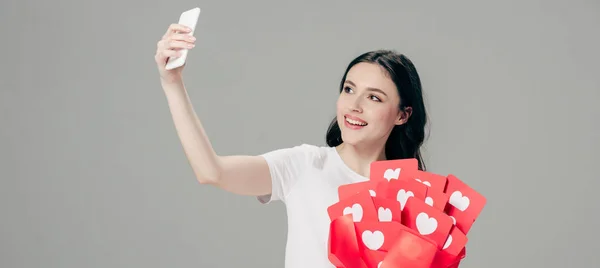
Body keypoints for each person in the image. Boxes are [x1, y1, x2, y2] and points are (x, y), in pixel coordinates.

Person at [154, 23, 429, 268]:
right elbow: (211, 171)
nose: (354, 106)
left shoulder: (419, 198)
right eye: (349, 89)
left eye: (374, 98)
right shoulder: (304, 166)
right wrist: (172, 83)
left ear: (403, 114)